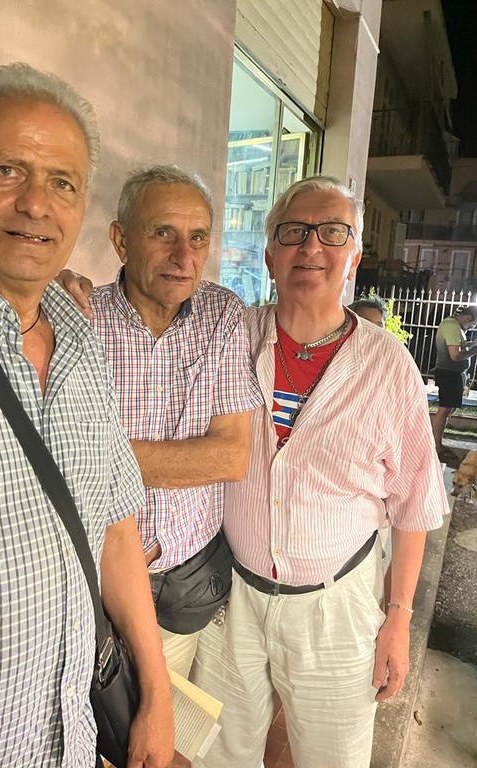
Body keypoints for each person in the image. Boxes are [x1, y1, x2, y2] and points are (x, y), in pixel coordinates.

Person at [0, 63, 173, 768]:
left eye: (62, 183)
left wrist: (157, 692)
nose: (35, 204)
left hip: (72, 743)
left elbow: (115, 528)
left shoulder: (82, 342)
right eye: (6, 171)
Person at [190, 175, 449, 768]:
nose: (311, 246)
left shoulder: (389, 367)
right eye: (293, 232)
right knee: (218, 756)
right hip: (232, 596)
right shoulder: (231, 337)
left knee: (333, 758)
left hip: (338, 607)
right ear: (269, 255)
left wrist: (398, 620)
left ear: (354, 256)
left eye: (333, 232)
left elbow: (414, 505)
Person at [58, 165, 262, 679]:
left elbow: (230, 456)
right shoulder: (77, 317)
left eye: (198, 238)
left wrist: (99, 456)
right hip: (92, 579)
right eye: (163, 233)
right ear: (120, 240)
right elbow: (53, 459)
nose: (184, 256)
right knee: (88, 707)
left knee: (167, 708)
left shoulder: (221, 314)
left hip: (188, 576)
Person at [431, 305, 477, 463]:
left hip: (453, 374)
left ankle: (434, 440)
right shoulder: (452, 326)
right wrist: (474, 351)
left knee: (448, 409)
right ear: (468, 318)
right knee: (444, 410)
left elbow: (458, 345)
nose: (472, 327)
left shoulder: (454, 325)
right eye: (473, 324)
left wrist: (471, 344)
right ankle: (436, 446)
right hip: (449, 374)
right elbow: (455, 355)